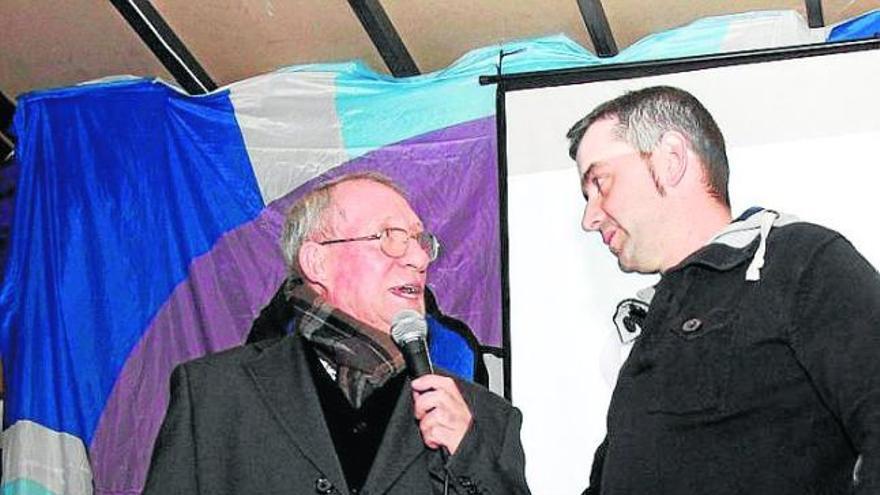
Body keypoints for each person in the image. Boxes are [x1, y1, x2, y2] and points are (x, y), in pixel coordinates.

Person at [567, 86, 878, 494]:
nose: (589, 217)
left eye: (601, 183)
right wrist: (479, 446)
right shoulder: (645, 330)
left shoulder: (799, 259)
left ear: (671, 160)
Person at [144, 173, 530, 494]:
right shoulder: (214, 396)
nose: (418, 258)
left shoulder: (484, 419)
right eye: (389, 237)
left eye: (420, 241)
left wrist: (471, 455)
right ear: (317, 262)